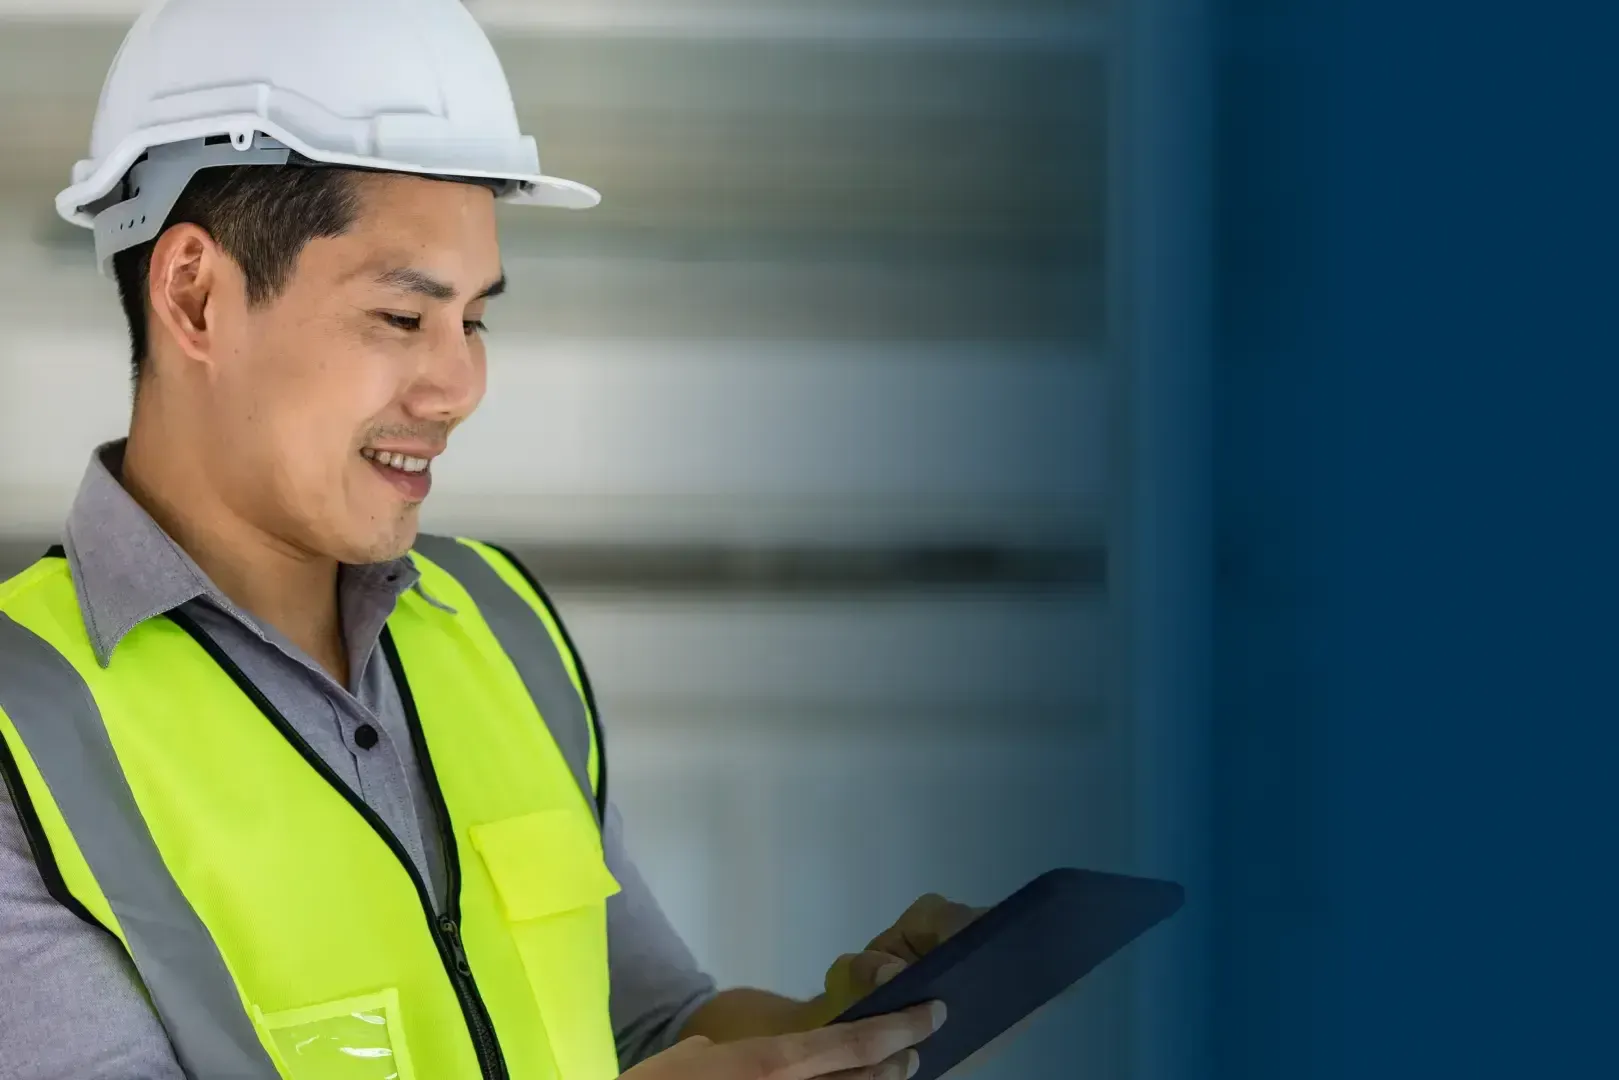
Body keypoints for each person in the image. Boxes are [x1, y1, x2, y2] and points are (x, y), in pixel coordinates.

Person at [0, 2, 978, 1078]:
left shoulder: (499, 626)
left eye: (474, 318)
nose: (461, 385)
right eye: (403, 318)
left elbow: (645, 1024)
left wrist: (854, 1025)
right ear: (196, 296)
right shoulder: (25, 731)